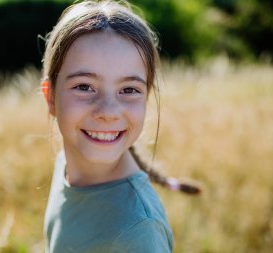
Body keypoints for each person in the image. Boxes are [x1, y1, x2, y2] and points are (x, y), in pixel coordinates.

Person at [40, 1, 200, 252]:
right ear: (50, 98)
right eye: (84, 86)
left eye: (128, 90)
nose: (108, 112)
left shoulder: (137, 231)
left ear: (146, 99)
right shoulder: (65, 164)